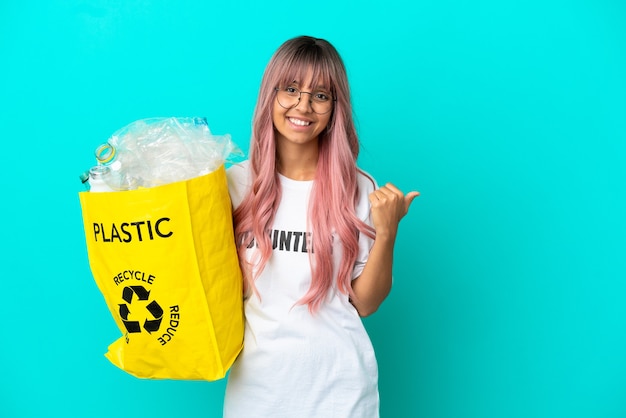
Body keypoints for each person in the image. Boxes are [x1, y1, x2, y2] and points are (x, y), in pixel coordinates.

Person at [223, 35, 419, 418]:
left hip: (341, 392)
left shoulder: (358, 187)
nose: (303, 106)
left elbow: (366, 302)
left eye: (321, 95)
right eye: (291, 89)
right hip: (258, 393)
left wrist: (388, 232)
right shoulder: (235, 185)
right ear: (270, 95)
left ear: (334, 108)